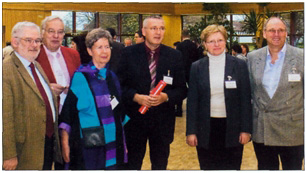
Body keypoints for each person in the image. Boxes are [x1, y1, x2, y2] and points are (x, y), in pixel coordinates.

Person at [117, 15, 187, 170]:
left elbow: (182, 89)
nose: (158, 32)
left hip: (162, 123)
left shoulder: (174, 56)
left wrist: (166, 97)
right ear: (144, 31)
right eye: (153, 28)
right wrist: (136, 97)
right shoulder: (128, 54)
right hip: (135, 122)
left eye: (161, 28)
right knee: (132, 165)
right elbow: (118, 86)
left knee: (160, 166)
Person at [59, 28, 129, 170]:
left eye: (107, 47)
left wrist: (124, 144)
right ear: (90, 51)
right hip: (89, 147)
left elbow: (119, 113)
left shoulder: (112, 77)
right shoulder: (80, 77)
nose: (104, 51)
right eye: (99, 47)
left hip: (113, 144)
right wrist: (65, 145)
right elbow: (68, 114)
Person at [186, 24, 252, 170]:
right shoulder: (196, 67)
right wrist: (191, 131)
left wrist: (246, 129)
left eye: (220, 40)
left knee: (231, 167)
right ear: (204, 44)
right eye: (211, 41)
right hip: (206, 128)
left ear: (225, 42)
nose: (216, 44)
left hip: (232, 128)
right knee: (208, 167)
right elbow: (192, 102)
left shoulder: (239, 65)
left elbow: (245, 99)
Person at [3, 21, 62, 170]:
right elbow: (5, 117)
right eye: (28, 40)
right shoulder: (6, 70)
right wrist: (8, 155)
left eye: (38, 41)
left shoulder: (35, 65)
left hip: (45, 144)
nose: (35, 45)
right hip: (22, 151)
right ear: (15, 42)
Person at [248, 17, 304, 170]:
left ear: (286, 33)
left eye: (281, 30)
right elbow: (250, 92)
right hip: (263, 128)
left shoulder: (301, 57)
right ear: (264, 33)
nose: (276, 34)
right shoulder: (253, 58)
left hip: (293, 129)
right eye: (272, 30)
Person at [37, 16, 81, 114]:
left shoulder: (73, 54)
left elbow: (80, 81)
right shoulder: (35, 55)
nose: (56, 36)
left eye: (60, 32)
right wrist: (46, 89)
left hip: (72, 113)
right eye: (51, 31)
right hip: (46, 113)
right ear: (42, 33)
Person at [175, 29, 199, 117]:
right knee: (193, 90)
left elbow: (177, 58)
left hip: (182, 70)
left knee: (180, 89)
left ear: (182, 35)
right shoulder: (194, 45)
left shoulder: (180, 45)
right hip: (192, 70)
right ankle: (193, 109)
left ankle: (179, 110)